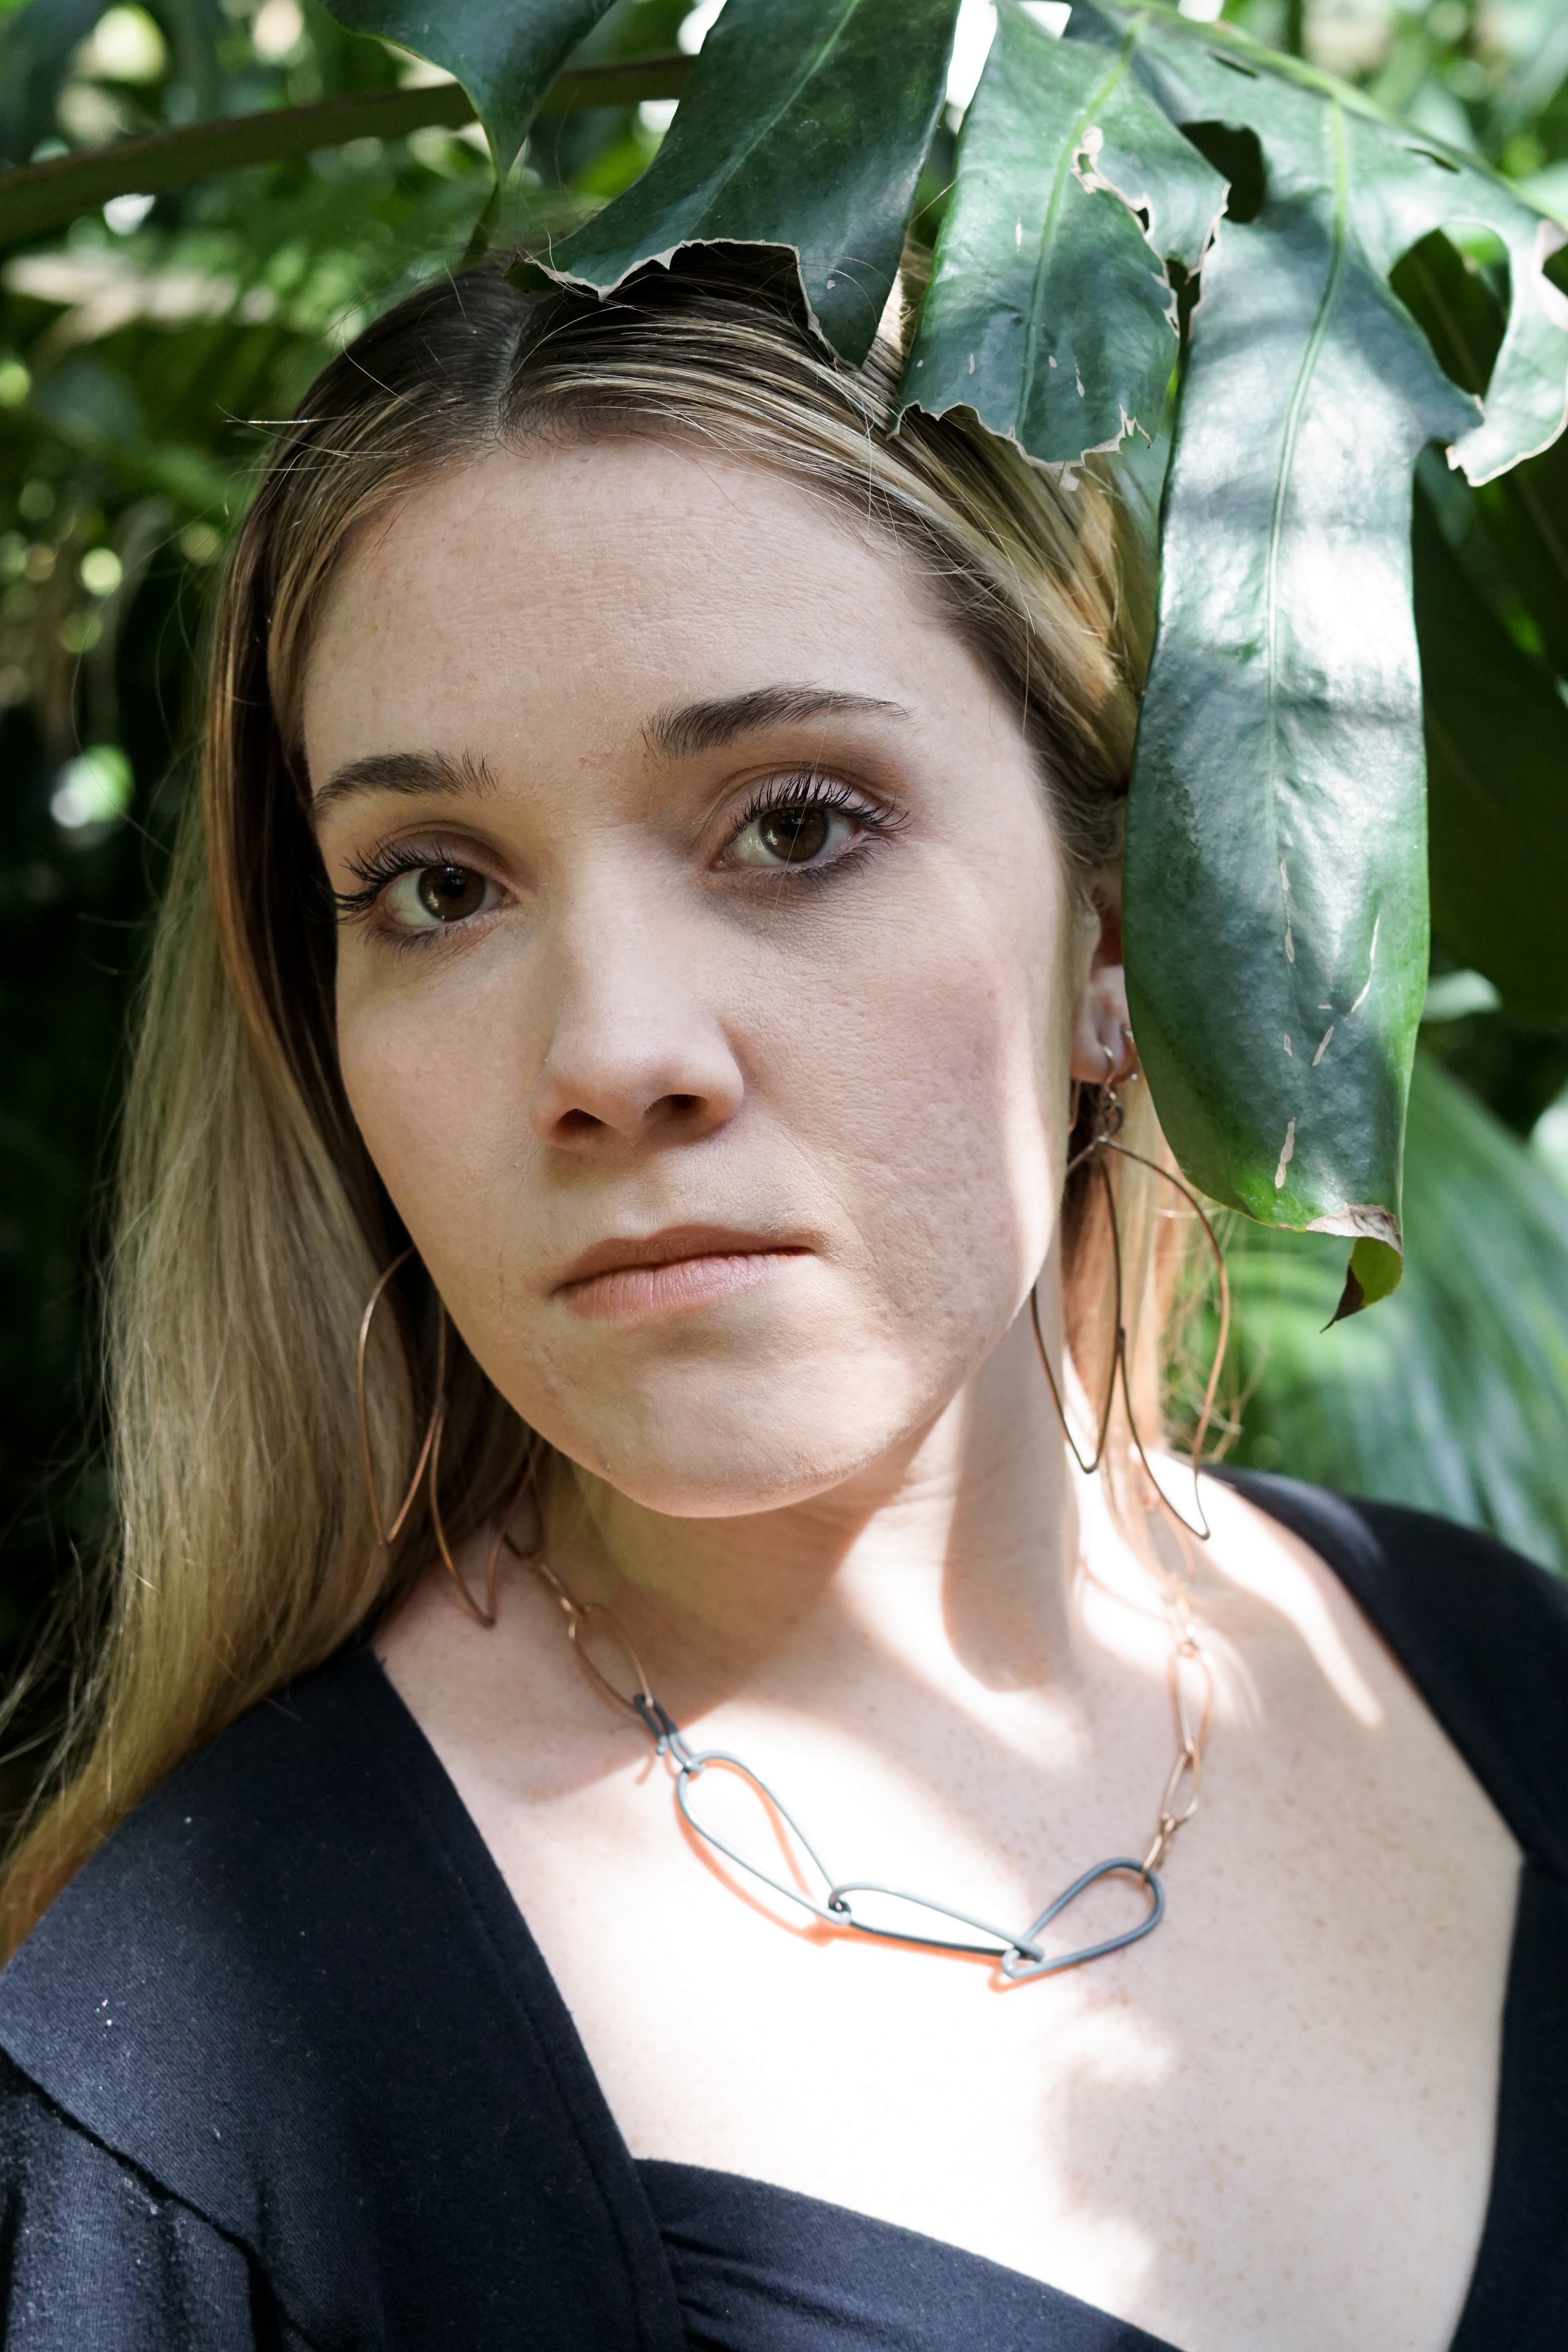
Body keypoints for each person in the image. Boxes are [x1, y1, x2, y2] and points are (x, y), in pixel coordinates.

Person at [0, 254, 1563, 2352]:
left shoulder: (1500, 1674)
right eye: (436, 886)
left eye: (794, 824)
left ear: (1119, 923)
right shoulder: (190, 2070)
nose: (615, 1048)